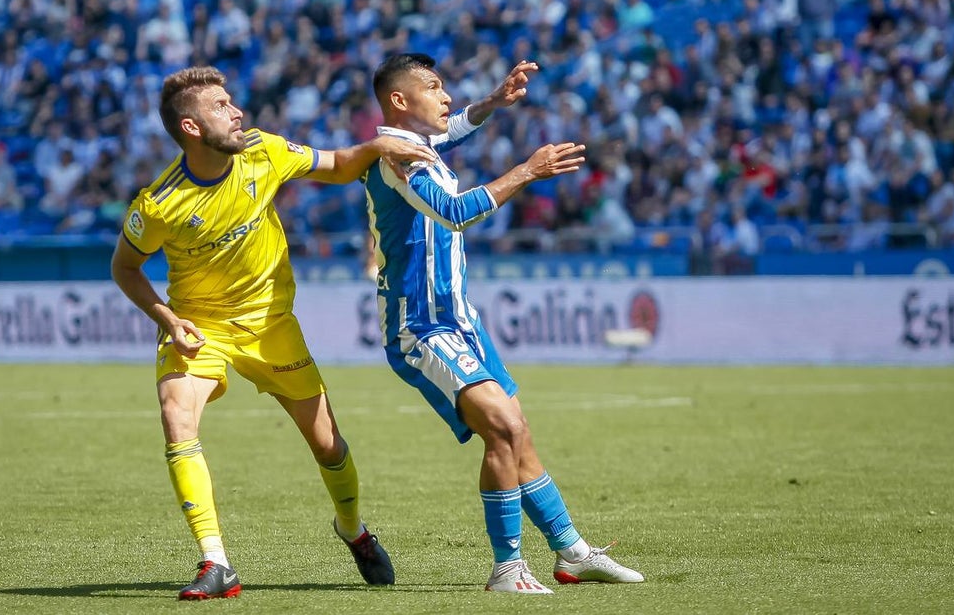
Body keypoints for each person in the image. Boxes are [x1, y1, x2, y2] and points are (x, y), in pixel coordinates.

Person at [110, 65, 436, 600]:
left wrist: (377, 147)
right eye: (220, 106)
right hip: (199, 325)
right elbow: (124, 267)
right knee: (176, 417)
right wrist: (168, 319)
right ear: (191, 128)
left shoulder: (263, 150)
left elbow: (337, 165)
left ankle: (352, 529)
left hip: (271, 325)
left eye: (232, 101)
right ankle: (216, 561)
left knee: (328, 446)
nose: (237, 111)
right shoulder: (159, 204)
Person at [363, 54, 645, 594]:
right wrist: (528, 170)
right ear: (399, 100)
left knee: (520, 434)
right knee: (503, 428)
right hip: (421, 326)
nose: (447, 97)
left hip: (460, 320)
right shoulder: (396, 155)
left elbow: (454, 130)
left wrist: (492, 102)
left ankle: (572, 553)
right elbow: (455, 211)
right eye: (434, 87)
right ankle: (507, 568)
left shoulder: (420, 144)